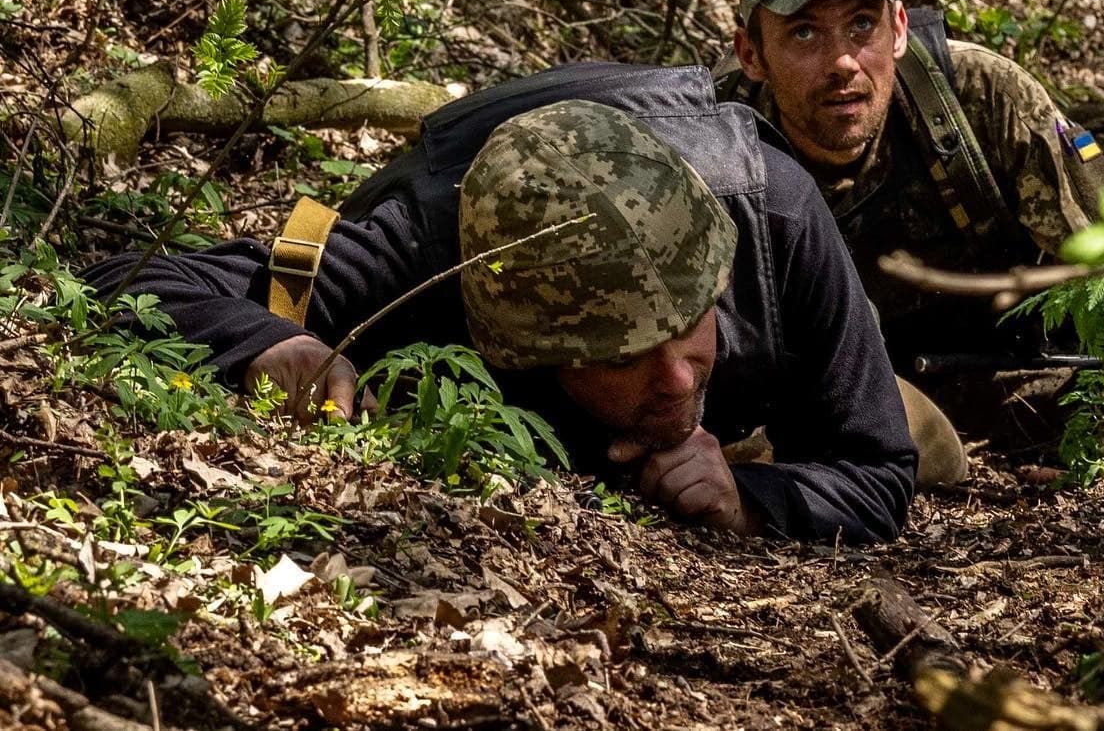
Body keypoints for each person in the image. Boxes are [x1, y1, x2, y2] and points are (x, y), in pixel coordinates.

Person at [85, 65, 916, 543]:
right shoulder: (426, 249)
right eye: (620, 352)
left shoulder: (771, 211)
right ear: (518, 341)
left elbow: (879, 469)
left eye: (685, 327)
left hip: (765, 388)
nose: (670, 376)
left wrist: (752, 499)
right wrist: (273, 344)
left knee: (931, 436)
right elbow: (129, 280)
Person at [716, 0, 1104, 441]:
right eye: (804, 32)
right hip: (814, 412)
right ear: (752, 54)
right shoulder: (718, 141)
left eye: (862, 25)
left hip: (1015, 386)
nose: (842, 62)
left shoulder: (985, 99)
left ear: (900, 29)